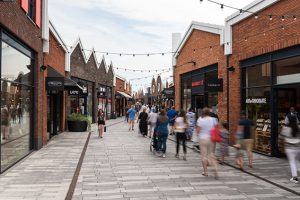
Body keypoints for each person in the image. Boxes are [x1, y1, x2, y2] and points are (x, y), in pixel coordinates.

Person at [196, 107, 218, 178]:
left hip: (202, 138)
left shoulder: (200, 119)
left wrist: (198, 135)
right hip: (211, 138)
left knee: (204, 155)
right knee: (211, 154)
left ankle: (205, 172)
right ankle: (215, 168)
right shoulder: (214, 119)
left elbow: (198, 131)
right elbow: (216, 128)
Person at [281, 115, 300, 183]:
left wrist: (283, 148)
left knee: (292, 162)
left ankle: (294, 177)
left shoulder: (285, 128)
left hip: (289, 147)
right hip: (298, 147)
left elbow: (283, 139)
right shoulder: (298, 128)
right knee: (297, 161)